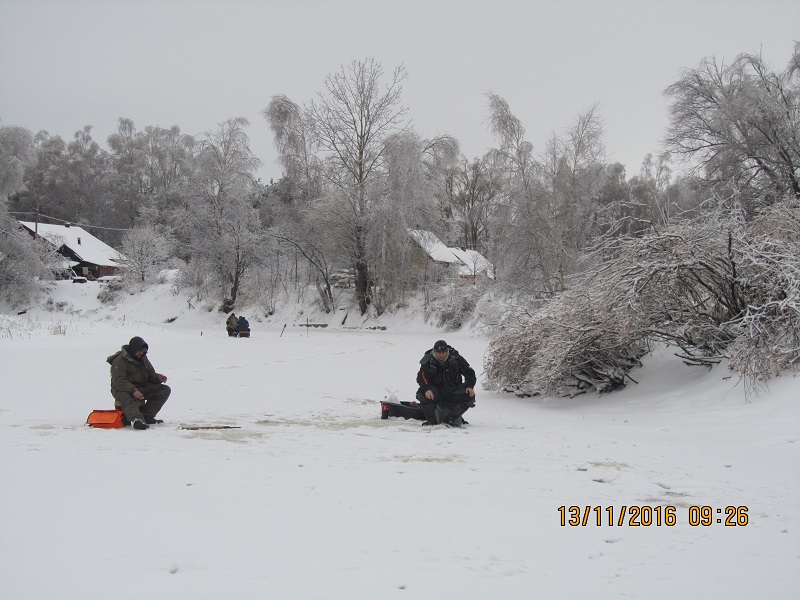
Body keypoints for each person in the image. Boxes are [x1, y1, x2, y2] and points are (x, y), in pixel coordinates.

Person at [107, 336, 170, 430]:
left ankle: (146, 416)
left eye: (144, 352)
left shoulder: (143, 358)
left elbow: (150, 374)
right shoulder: (119, 360)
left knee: (164, 390)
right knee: (127, 397)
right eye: (140, 351)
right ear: (133, 349)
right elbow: (120, 381)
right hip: (121, 388)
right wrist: (134, 391)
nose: (142, 353)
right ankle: (136, 419)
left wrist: (158, 378)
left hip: (140, 387)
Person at [416, 339, 476, 427]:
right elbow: (421, 376)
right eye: (438, 353)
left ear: (447, 351)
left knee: (469, 395)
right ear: (434, 351)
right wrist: (427, 389)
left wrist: (469, 386)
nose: (441, 355)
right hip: (436, 391)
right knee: (421, 393)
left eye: (443, 352)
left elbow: (469, 372)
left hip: (453, 390)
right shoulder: (428, 360)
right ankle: (432, 421)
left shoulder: (456, 358)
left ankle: (452, 418)